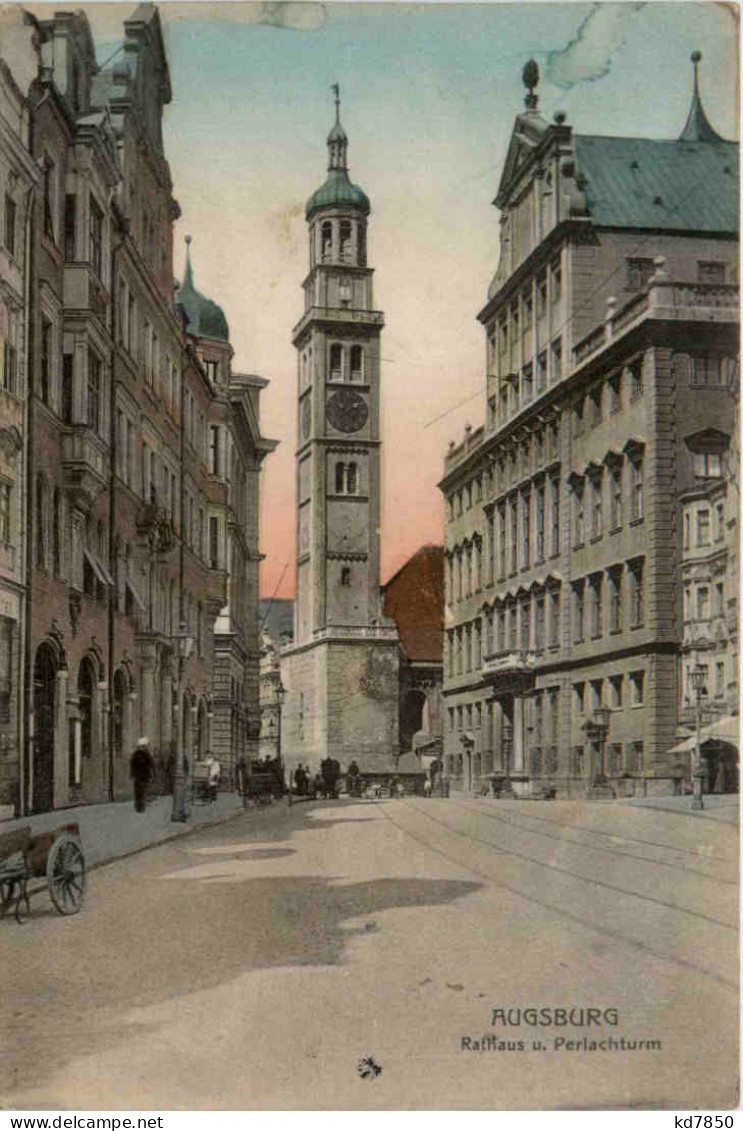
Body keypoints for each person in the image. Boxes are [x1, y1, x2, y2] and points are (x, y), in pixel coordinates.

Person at [130, 737, 154, 813]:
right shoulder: (147, 754)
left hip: (138, 776)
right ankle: (141, 806)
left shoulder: (135, 754)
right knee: (142, 790)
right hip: (144, 775)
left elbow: (132, 764)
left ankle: (138, 806)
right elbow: (151, 764)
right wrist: (151, 775)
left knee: (138, 791)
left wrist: (132, 774)